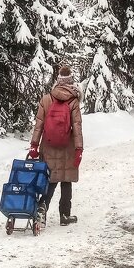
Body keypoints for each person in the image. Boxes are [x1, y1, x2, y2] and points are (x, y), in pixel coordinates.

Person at [28, 62, 83, 227]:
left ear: (58, 81)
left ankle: (41, 212)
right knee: (66, 180)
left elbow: (39, 124)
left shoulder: (46, 99)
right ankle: (65, 216)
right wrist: (79, 149)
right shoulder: (73, 101)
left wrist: (34, 145)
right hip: (68, 146)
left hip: (49, 146)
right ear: (71, 81)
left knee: (50, 180)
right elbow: (77, 127)